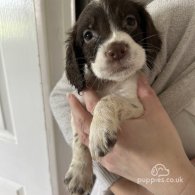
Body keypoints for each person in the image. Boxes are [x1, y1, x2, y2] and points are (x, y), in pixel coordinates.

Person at [50, 0, 195, 194]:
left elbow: (135, 108)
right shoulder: (178, 14)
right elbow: (67, 101)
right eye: (89, 35)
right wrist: (81, 159)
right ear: (78, 55)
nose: (115, 47)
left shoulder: (133, 78)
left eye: (129, 22)